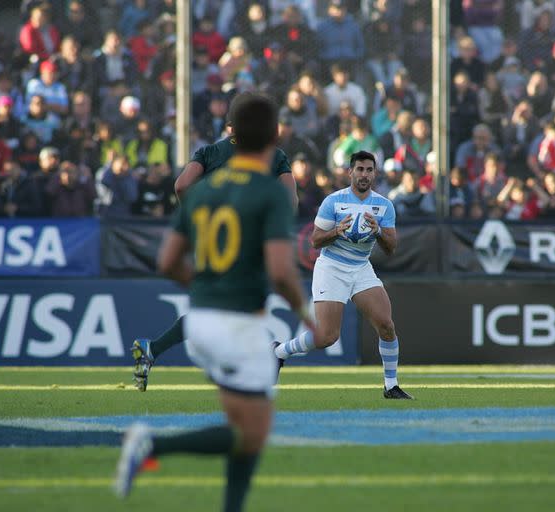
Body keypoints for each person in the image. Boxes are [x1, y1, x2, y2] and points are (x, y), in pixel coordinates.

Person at [114, 94, 313, 512]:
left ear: (231, 130)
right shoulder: (270, 190)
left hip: (200, 321)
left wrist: (209, 281)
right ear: (273, 134)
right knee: (251, 433)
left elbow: (167, 260)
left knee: (244, 429)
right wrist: (305, 314)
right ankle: (150, 444)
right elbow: (280, 271)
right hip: (238, 325)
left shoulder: (203, 191)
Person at [132, 93, 298, 391]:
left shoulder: (208, 151)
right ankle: (264, 355)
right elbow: (290, 200)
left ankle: (153, 349)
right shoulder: (272, 154)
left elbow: (182, 185)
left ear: (230, 125)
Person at [273, 150, 413, 400]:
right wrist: (337, 230)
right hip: (332, 267)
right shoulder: (333, 201)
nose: (364, 174)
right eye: (359, 169)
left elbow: (391, 248)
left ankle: (391, 386)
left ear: (375, 173)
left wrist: (378, 230)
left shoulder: (383, 205)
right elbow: (315, 241)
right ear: (350, 172)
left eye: (369, 170)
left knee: (386, 325)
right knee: (327, 336)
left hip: (361, 267)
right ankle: (279, 352)